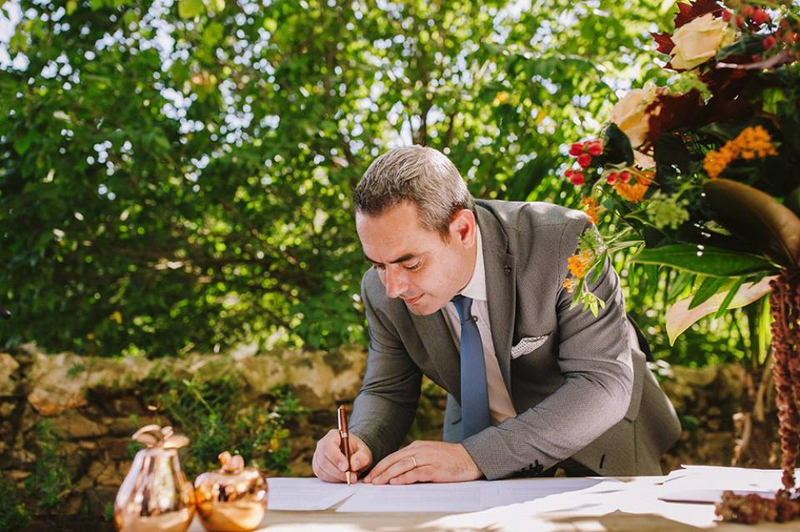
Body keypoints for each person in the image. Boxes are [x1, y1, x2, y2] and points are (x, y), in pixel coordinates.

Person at [312, 146, 681, 485]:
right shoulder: (381, 291)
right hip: (474, 443)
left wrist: (474, 456)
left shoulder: (565, 241)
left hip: (596, 436)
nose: (393, 286)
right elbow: (388, 391)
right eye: (378, 264)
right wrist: (360, 441)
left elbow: (602, 383)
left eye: (410, 262)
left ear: (463, 229)